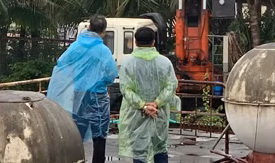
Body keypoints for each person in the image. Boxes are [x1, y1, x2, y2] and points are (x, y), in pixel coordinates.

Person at [47, 15, 118, 163]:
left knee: (77, 133)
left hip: (78, 94)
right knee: (99, 135)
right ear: (103, 32)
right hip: (97, 97)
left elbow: (62, 63)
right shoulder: (103, 51)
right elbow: (111, 75)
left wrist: (76, 77)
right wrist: (98, 80)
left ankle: (77, 160)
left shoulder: (76, 46)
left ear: (89, 27)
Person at [118, 27, 178, 163]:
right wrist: (156, 103)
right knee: (160, 148)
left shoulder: (128, 63)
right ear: (153, 42)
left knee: (139, 151)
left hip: (135, 115)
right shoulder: (165, 62)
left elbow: (126, 89)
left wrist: (143, 106)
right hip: (158, 114)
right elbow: (171, 86)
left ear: (135, 42)